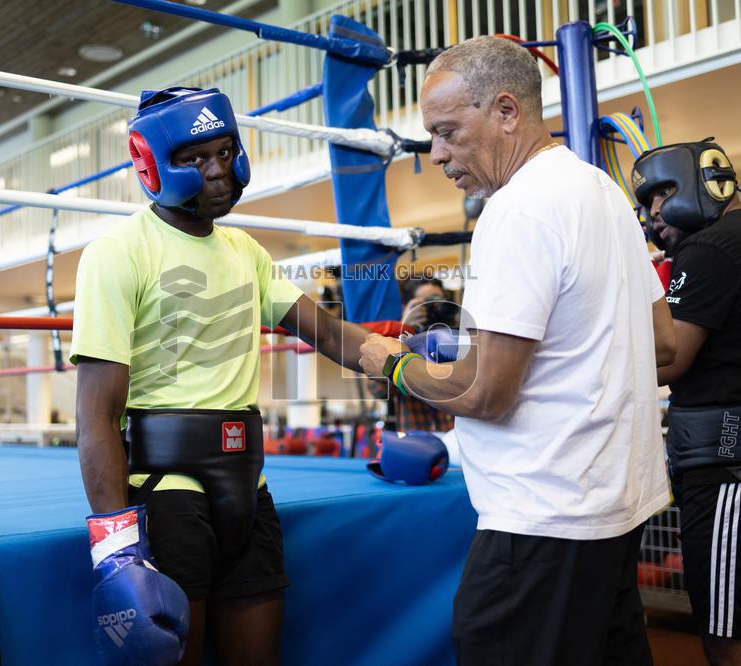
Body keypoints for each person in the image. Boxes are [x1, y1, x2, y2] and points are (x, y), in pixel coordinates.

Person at [358, 37, 677, 665]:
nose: (438, 155)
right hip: (613, 509)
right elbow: (661, 343)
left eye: (448, 131)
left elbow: (485, 394)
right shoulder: (601, 191)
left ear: (506, 110)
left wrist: (387, 362)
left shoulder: (517, 210)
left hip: (541, 519)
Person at [70, 86, 371, 666]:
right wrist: (117, 553)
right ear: (151, 163)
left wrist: (411, 360)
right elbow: (96, 418)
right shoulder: (118, 253)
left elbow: (331, 335)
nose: (219, 172)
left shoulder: (245, 251)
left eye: (226, 152)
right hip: (167, 494)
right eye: (195, 158)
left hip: (248, 486)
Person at [636, 140, 741, 666]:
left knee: (731, 635)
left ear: (705, 182)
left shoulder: (712, 248)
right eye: (646, 203)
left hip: (738, 471)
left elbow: (672, 358)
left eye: (661, 193)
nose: (654, 214)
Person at [368, 278, 455, 432]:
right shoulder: (400, 342)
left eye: (438, 301)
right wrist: (403, 329)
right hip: (417, 438)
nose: (434, 308)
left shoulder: (457, 338)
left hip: (457, 436)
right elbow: (378, 390)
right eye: (426, 304)